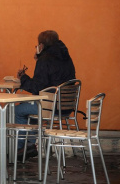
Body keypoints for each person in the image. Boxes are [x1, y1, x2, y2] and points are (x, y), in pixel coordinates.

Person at [15, 30, 76, 159]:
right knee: (31, 108)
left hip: (50, 106)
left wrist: (23, 78)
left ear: (41, 45)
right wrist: (40, 59)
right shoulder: (67, 58)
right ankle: (29, 145)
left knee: (17, 110)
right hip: (65, 107)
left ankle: (22, 148)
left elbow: (37, 88)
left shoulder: (45, 60)